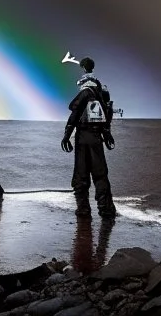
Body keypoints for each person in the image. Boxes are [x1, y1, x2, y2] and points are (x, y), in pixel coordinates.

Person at [61, 57, 117, 219]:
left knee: (81, 174)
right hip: (96, 137)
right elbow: (106, 116)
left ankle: (84, 210)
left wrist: (66, 134)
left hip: (83, 137)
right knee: (100, 174)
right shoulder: (101, 93)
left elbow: (74, 110)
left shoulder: (86, 91)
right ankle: (106, 210)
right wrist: (107, 134)